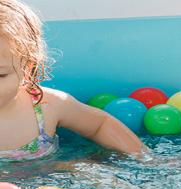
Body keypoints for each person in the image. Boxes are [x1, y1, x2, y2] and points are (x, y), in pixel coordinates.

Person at [0, 0, 144, 160]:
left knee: (91, 173)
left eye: (0, 75)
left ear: (27, 70)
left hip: (49, 176)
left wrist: (144, 158)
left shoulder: (47, 106)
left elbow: (99, 125)